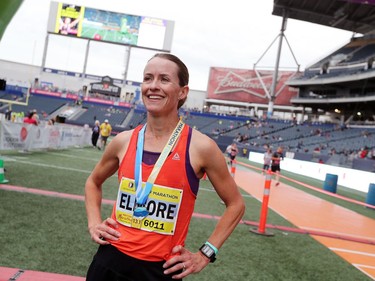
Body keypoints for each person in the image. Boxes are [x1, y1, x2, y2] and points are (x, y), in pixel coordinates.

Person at [84, 53, 245, 281]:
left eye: (164, 79)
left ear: (182, 92)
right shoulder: (124, 140)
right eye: (148, 78)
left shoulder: (201, 147)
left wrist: (205, 253)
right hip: (109, 262)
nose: (153, 86)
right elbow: (93, 182)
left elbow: (236, 204)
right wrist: (94, 224)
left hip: (161, 271)